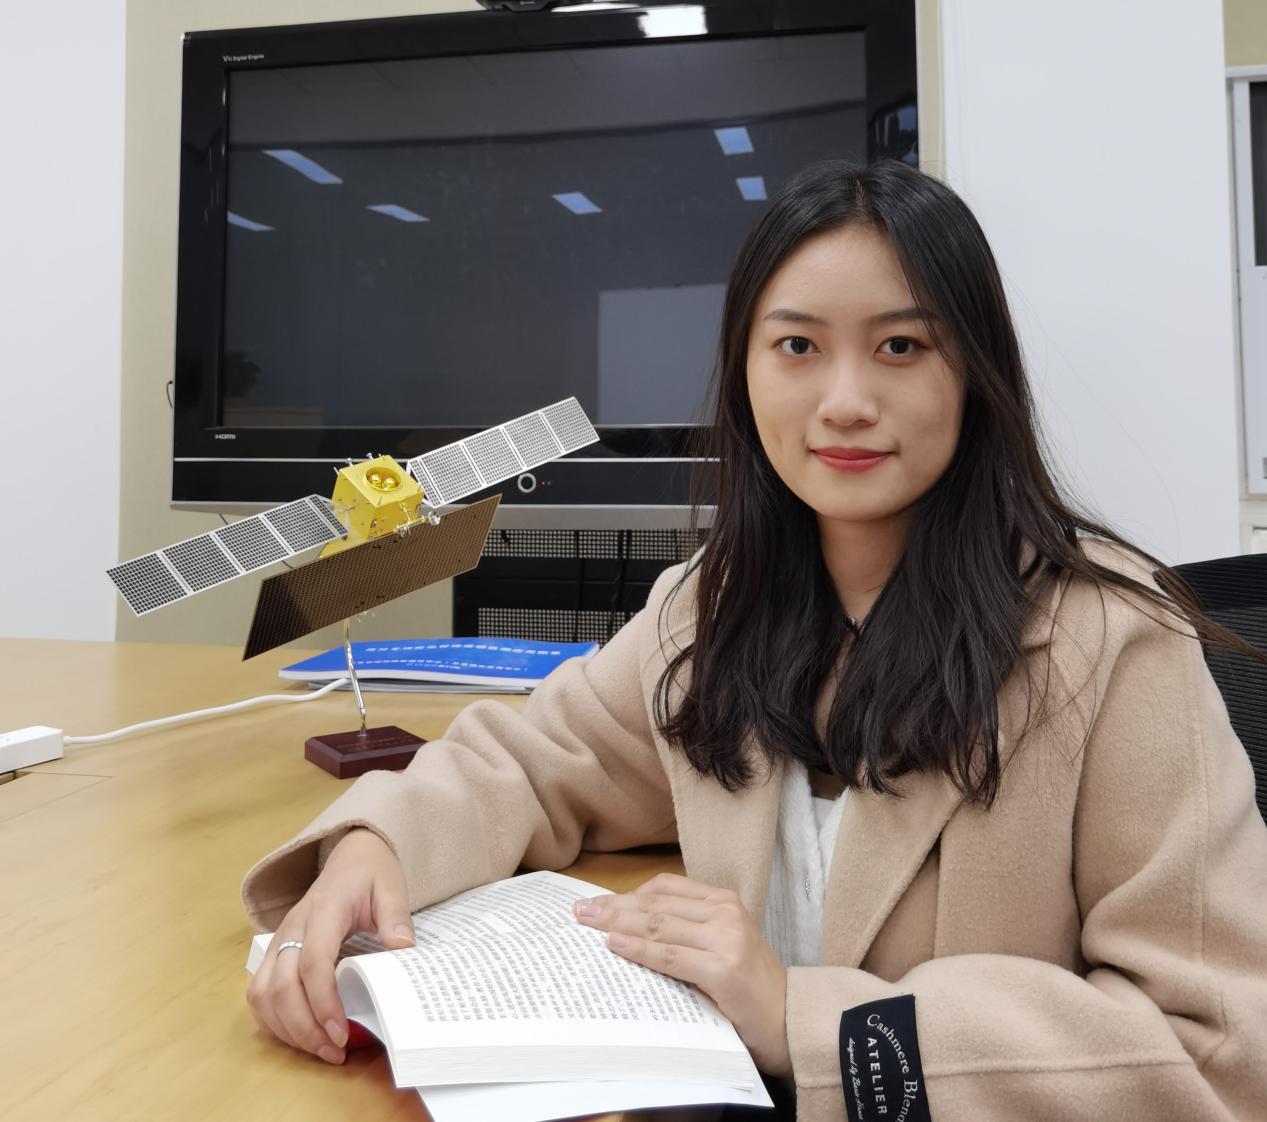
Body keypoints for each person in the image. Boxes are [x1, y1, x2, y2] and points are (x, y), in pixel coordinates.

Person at [242, 159, 1267, 1121]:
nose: (845, 403)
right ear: (743, 373)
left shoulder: (1113, 644)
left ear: (974, 372)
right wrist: (376, 845)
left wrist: (799, 1020)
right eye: (797, 348)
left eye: (900, 347)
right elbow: (535, 760)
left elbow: (1221, 1050)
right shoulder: (710, 605)